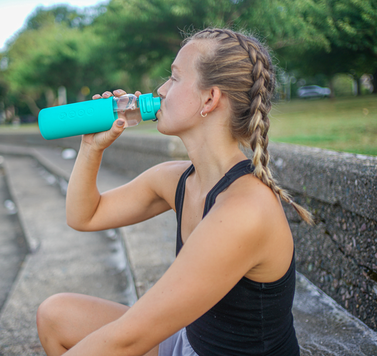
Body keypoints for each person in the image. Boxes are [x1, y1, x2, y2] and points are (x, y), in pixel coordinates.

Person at [36, 28, 313, 356]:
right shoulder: (177, 179)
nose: (160, 89)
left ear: (209, 98)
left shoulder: (245, 210)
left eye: (174, 77)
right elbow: (84, 215)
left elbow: (128, 339)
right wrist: (92, 147)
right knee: (55, 316)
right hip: (188, 342)